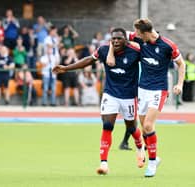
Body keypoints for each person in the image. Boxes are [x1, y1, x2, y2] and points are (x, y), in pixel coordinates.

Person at [52, 28, 145, 175]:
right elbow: (88, 60)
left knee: (132, 128)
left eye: (119, 38)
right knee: (107, 125)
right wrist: (66, 68)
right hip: (110, 94)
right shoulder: (104, 50)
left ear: (126, 40)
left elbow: (148, 47)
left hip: (129, 96)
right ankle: (104, 164)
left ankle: (140, 148)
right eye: (113, 38)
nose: (115, 41)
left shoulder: (134, 50)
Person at [107, 18, 185, 177]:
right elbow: (117, 35)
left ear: (147, 33)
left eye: (138, 33)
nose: (135, 36)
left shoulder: (168, 45)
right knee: (145, 128)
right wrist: (110, 51)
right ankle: (154, 158)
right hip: (142, 90)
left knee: (148, 126)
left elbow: (181, 64)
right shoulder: (138, 38)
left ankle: (152, 162)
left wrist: (180, 84)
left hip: (158, 90)